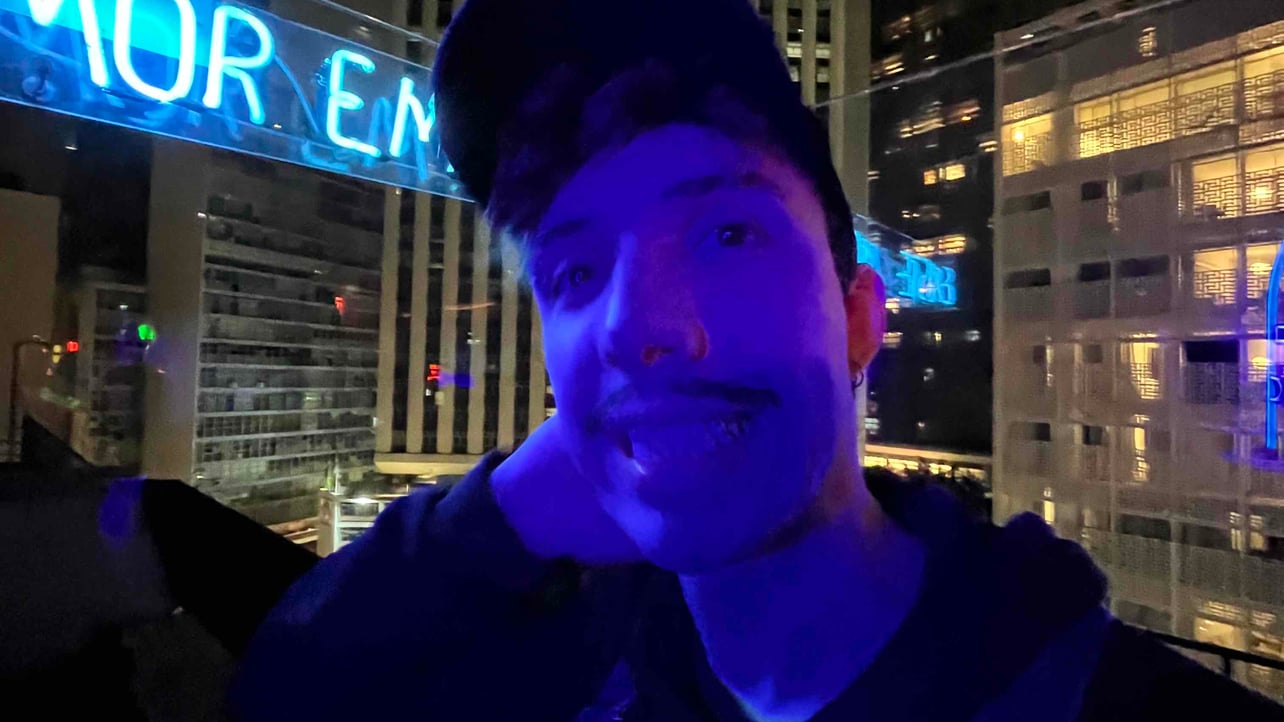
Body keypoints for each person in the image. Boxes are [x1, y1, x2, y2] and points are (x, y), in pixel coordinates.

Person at [232, 1, 1284, 720]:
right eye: (576, 269)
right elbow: (282, 684)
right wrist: (509, 508)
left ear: (858, 320)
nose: (634, 325)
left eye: (728, 234)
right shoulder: (580, 653)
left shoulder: (1112, 699)